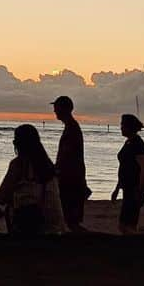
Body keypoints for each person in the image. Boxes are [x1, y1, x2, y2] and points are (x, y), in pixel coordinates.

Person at [0, 124, 65, 236]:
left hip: (31, 226)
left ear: (19, 143)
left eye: (15, 140)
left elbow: (2, 197)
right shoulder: (48, 165)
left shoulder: (18, 164)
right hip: (55, 226)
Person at [52, 95, 88, 232]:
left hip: (71, 179)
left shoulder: (72, 129)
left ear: (64, 109)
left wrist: (57, 170)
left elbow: (67, 156)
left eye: (56, 107)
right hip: (71, 178)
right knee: (69, 219)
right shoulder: (71, 127)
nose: (54, 111)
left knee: (71, 219)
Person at [111, 113, 144, 234]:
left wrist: (140, 189)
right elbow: (124, 167)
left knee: (128, 224)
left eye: (123, 125)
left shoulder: (137, 144)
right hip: (127, 188)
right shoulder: (129, 142)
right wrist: (117, 188)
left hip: (134, 188)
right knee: (125, 224)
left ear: (129, 127)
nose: (121, 128)